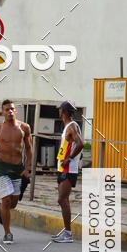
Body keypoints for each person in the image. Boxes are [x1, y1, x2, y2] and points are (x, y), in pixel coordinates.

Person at [0, 99, 33, 243]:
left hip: (18, 168)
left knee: (13, 203)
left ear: (15, 111)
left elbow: (29, 149)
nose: (9, 111)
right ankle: (7, 233)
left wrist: (27, 168)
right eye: (6, 109)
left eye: (12, 109)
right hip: (2, 167)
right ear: (3, 112)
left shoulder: (24, 128)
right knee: (7, 198)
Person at [52, 100, 83, 244]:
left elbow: (81, 144)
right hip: (63, 168)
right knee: (63, 199)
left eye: (60, 110)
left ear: (63, 112)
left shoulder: (71, 127)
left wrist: (69, 159)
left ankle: (68, 233)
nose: (59, 112)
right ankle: (66, 231)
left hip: (68, 169)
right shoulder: (68, 126)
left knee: (62, 199)